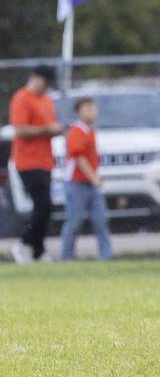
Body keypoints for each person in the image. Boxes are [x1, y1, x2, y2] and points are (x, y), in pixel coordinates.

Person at [9, 66, 63, 263]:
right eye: (45, 82)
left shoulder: (47, 100)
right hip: (27, 160)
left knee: (46, 207)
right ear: (35, 78)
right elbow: (20, 130)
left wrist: (56, 130)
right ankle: (23, 242)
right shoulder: (22, 98)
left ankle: (38, 250)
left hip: (45, 160)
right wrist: (47, 130)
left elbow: (49, 125)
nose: (47, 87)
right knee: (42, 205)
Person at [59, 98, 112, 261]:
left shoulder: (90, 131)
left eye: (93, 108)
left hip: (90, 183)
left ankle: (106, 257)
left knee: (100, 220)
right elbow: (80, 158)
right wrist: (94, 178)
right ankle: (66, 258)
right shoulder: (77, 131)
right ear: (78, 112)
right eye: (87, 108)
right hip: (76, 183)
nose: (92, 112)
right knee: (74, 222)